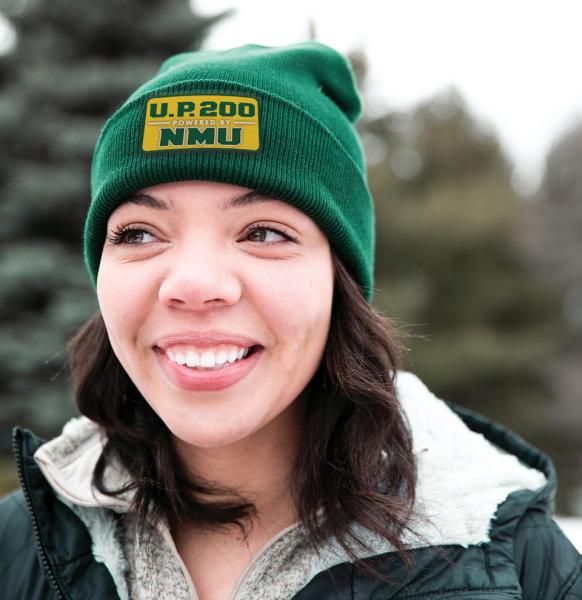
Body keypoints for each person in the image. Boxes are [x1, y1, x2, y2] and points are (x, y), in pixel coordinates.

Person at [0, 41, 580, 600]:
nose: (194, 285)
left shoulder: (521, 566)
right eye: (140, 234)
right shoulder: (19, 545)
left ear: (339, 279)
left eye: (264, 233)